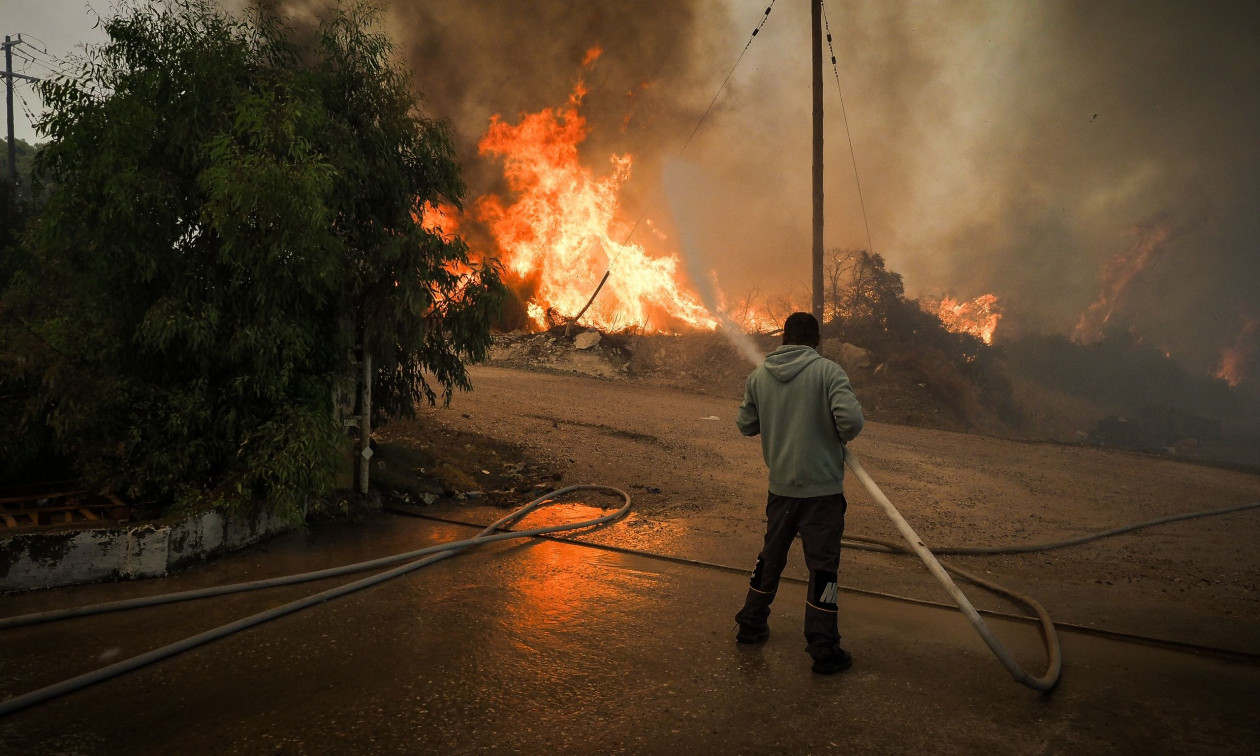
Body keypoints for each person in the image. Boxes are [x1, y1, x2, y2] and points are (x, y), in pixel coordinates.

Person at [734, 311, 865, 674]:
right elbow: (851, 422)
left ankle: (750, 624)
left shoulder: (759, 377)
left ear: (783, 338)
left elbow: (746, 425)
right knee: (823, 568)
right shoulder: (828, 373)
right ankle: (823, 648)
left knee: (770, 557)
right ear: (816, 340)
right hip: (821, 493)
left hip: (781, 491)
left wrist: (775, 418)